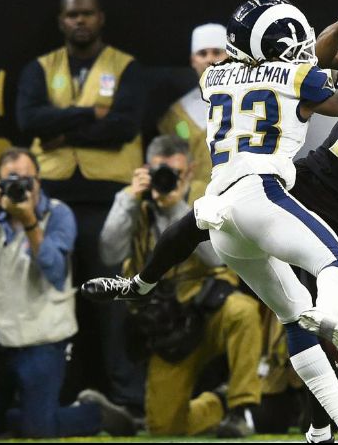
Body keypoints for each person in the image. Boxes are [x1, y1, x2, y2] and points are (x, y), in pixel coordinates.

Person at [84, 2, 338, 441]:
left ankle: (319, 425)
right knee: (329, 292)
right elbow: (318, 59)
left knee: (301, 315)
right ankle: (329, 413)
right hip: (311, 186)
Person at [0, 148, 135, 438]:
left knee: (39, 431)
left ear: (39, 181)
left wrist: (30, 222)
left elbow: (55, 271)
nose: (20, 187)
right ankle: (36, 414)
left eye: (26, 180)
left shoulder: (58, 214)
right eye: (11, 180)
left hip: (42, 340)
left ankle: (94, 414)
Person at [15, 0, 146, 412]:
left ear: (100, 18)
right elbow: (28, 120)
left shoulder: (125, 66)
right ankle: (51, 400)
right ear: (61, 21)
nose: (80, 21)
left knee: (113, 302)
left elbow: (125, 127)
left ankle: (129, 400)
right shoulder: (39, 67)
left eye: (87, 13)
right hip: (51, 200)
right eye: (72, 15)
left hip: (110, 199)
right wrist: (92, 115)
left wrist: (62, 132)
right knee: (51, 297)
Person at [99, 134, 262, 437]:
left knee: (244, 311)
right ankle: (220, 403)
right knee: (164, 427)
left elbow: (216, 259)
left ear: (190, 170)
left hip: (210, 308)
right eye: (160, 172)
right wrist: (127, 201)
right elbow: (109, 252)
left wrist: (178, 211)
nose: (167, 179)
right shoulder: (136, 202)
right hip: (170, 323)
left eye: (174, 173)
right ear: (146, 169)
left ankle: (241, 408)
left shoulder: (209, 196)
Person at [157, 23, 229, 199]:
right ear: (193, 60)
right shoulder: (178, 113)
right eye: (202, 53)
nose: (209, 59)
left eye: (217, 52)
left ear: (229, 56)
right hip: (194, 205)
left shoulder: (250, 100)